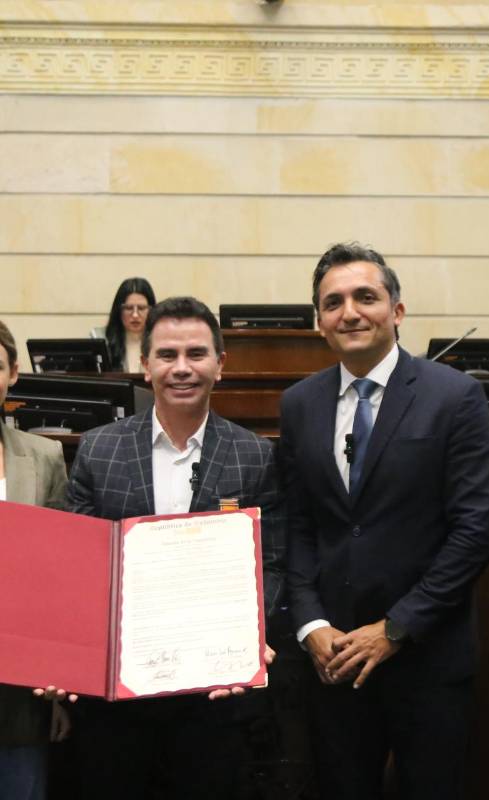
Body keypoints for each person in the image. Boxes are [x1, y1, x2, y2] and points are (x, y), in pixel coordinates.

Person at [280, 242, 489, 800]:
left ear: (396, 311)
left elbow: (475, 531)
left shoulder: (454, 396)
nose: (350, 312)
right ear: (319, 324)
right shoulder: (300, 404)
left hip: (427, 660)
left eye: (365, 297)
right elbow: (300, 526)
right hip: (334, 664)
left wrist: (395, 629)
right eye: (333, 303)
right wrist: (311, 627)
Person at [66, 296, 286, 800]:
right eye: (166, 355)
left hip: (212, 697)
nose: (181, 368)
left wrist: (250, 638)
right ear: (146, 366)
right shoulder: (99, 449)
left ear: (220, 365)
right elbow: (80, 566)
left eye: (196, 353)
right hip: (115, 701)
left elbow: (271, 562)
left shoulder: (255, 455)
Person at [0, 320, 69, 800]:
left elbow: (63, 576)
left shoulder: (44, 458)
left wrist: (64, 679)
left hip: (22, 696)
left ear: (12, 373)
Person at [101, 277, 156, 372]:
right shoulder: (102, 340)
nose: (135, 315)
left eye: (141, 308)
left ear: (151, 310)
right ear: (119, 310)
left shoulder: (160, 341)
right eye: (129, 308)